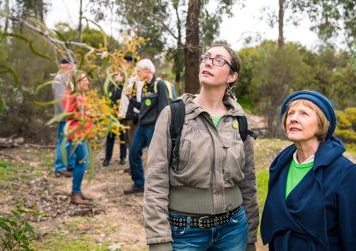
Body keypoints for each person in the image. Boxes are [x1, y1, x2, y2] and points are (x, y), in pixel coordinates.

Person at [143, 43, 259, 250]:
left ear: (232, 76)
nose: (208, 62)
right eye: (206, 57)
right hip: (184, 233)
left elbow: (248, 182)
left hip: (233, 230)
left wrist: (250, 236)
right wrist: (159, 240)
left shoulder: (239, 120)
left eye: (218, 60)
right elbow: (155, 180)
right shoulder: (174, 114)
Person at [260, 90, 356, 250]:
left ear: (322, 124)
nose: (293, 118)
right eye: (291, 114)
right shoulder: (280, 165)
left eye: (304, 113)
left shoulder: (345, 173)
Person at [123, 58, 169, 194]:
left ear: (147, 71)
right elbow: (142, 107)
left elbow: (164, 108)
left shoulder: (159, 84)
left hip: (153, 128)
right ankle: (139, 184)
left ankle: (159, 187)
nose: (137, 73)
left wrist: (162, 129)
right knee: (133, 153)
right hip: (142, 127)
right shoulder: (145, 86)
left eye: (139, 70)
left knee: (156, 158)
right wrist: (130, 99)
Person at [62, 72, 93, 205]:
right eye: (85, 80)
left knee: (81, 163)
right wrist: (82, 113)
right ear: (78, 82)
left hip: (83, 133)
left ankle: (77, 191)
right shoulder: (70, 96)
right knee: (82, 163)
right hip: (76, 134)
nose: (87, 82)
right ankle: (75, 194)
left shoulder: (80, 95)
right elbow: (66, 115)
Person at [52, 57, 75, 177]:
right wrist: (67, 115)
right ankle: (59, 167)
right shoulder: (59, 79)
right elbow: (61, 99)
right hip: (64, 116)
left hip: (71, 115)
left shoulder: (68, 78)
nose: (73, 67)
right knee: (63, 141)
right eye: (70, 64)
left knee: (71, 141)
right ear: (64, 65)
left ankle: (70, 165)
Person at [102, 71, 128, 167]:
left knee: (122, 137)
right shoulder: (110, 87)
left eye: (119, 75)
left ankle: (123, 157)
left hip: (121, 116)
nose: (117, 77)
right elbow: (106, 100)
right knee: (110, 138)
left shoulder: (124, 88)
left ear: (123, 77)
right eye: (116, 75)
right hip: (111, 117)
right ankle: (107, 158)